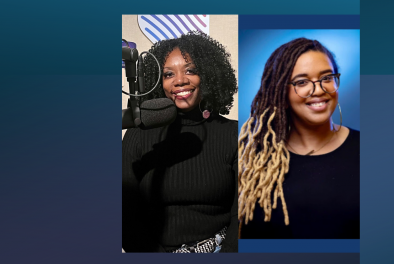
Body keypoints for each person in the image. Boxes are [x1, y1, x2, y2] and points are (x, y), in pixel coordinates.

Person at [122, 31, 238, 252]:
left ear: (208, 74)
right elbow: (125, 214)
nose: (180, 80)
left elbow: (244, 214)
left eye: (190, 71)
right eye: (168, 74)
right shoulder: (137, 135)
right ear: (157, 82)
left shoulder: (233, 134)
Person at [238, 38, 359, 239]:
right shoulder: (255, 164)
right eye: (302, 82)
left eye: (327, 77)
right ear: (280, 91)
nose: (319, 90)